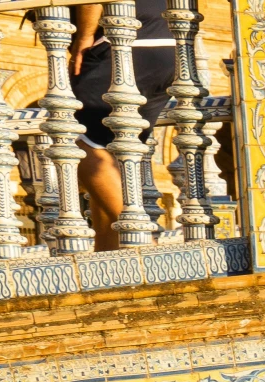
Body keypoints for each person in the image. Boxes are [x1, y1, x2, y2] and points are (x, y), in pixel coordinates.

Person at [68, 0, 181, 250]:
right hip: (173, 45)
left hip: (125, 43)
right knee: (114, 157)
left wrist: (84, 38)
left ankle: (142, 239)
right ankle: (108, 261)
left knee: (73, 138)